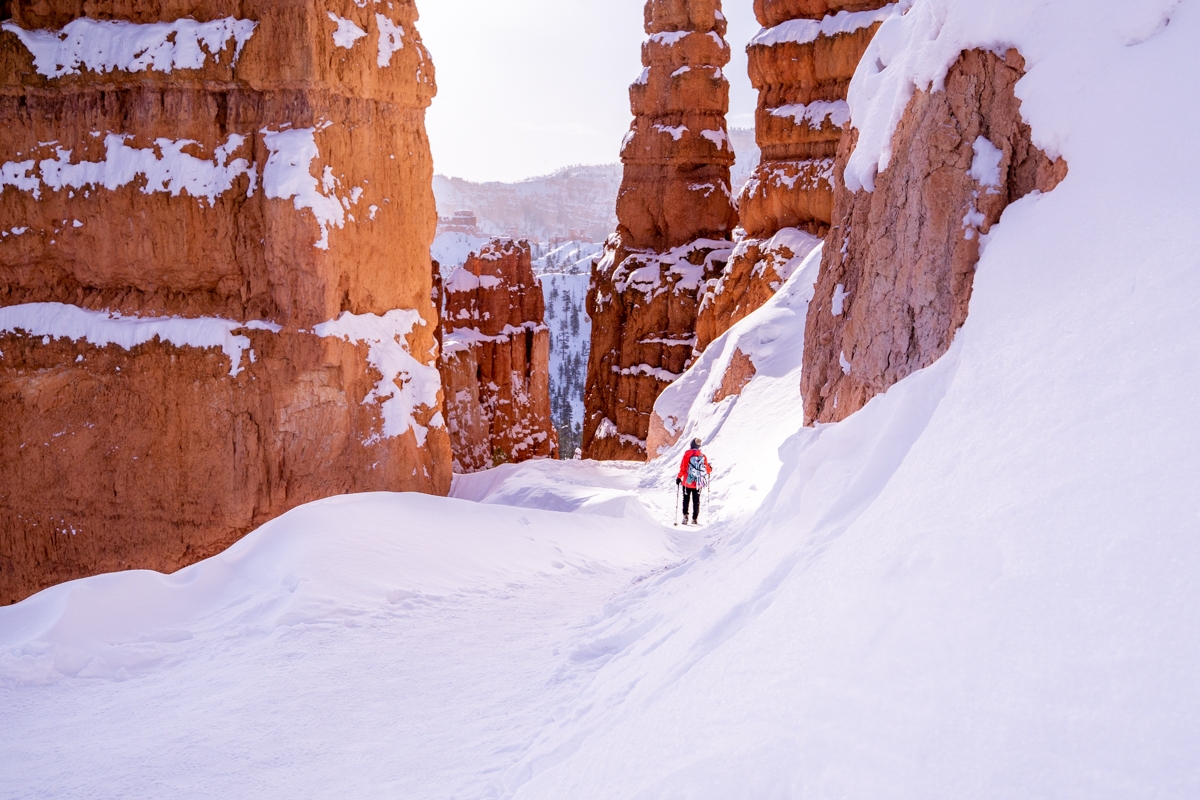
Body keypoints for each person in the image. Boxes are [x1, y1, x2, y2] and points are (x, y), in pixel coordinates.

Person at [675, 438, 712, 525]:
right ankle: (694, 518)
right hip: (698, 483)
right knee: (696, 501)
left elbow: (683, 468)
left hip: (687, 482)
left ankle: (685, 516)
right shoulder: (702, 456)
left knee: (686, 499)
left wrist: (679, 477)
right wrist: (710, 469)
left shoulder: (687, 455)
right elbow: (706, 469)